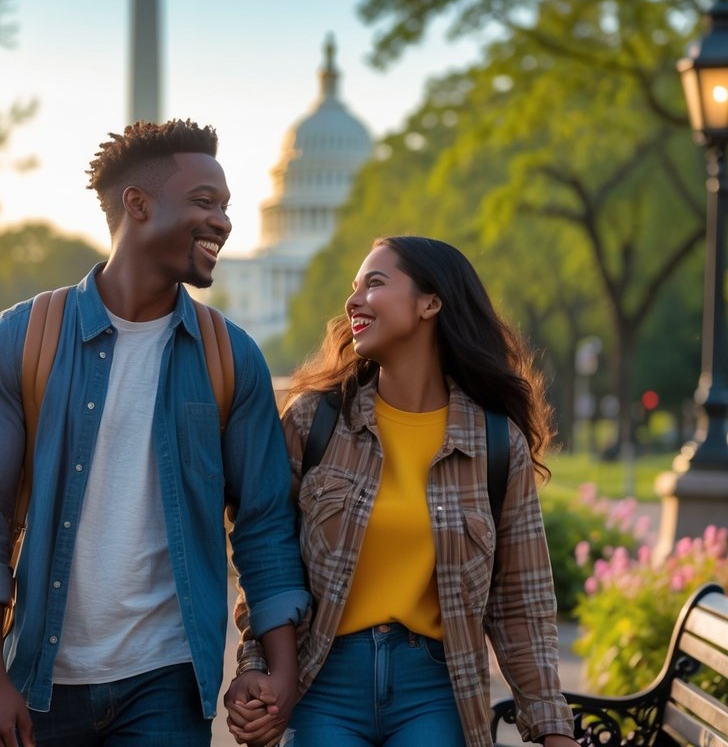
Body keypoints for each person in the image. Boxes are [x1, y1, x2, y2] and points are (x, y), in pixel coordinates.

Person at [0, 119, 309, 747]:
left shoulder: (231, 358)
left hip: (166, 684)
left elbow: (264, 523)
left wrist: (279, 668)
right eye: (204, 202)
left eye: (226, 206)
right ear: (136, 205)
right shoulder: (19, 341)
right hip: (41, 680)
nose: (223, 222)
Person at [224, 236, 579, 747]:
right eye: (354, 287)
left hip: (437, 689)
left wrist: (551, 728)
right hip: (324, 681)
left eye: (375, 282)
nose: (353, 300)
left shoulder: (497, 445)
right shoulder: (314, 421)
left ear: (430, 302)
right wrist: (257, 666)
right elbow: (268, 558)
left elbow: (521, 602)